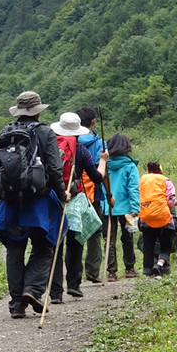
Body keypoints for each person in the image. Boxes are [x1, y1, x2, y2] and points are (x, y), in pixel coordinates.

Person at [0, 91, 64, 318]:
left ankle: (16, 305)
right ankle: (32, 289)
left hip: (10, 202)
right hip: (38, 201)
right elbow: (54, 168)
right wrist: (61, 195)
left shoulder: (6, 131)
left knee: (14, 249)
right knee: (44, 246)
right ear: (38, 111)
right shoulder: (44, 132)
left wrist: (0, 197)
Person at [49, 112, 107, 301]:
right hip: (74, 199)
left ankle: (55, 292)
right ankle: (73, 285)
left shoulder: (49, 148)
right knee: (75, 242)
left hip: (54, 199)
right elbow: (97, 178)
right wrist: (104, 160)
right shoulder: (81, 150)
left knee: (56, 245)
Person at [73, 107, 109, 285]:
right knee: (95, 230)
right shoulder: (99, 143)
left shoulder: (71, 140)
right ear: (93, 122)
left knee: (74, 230)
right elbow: (103, 173)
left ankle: (73, 275)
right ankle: (93, 272)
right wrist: (109, 195)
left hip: (72, 192)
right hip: (92, 192)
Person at [101, 133, 141, 279]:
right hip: (126, 209)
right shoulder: (130, 166)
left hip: (107, 207)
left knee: (109, 240)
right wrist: (135, 208)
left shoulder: (105, 165)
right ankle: (130, 269)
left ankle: (111, 272)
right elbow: (133, 189)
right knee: (127, 239)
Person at [139, 162, 177, 275]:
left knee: (148, 246)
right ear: (160, 171)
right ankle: (160, 264)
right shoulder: (166, 180)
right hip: (163, 217)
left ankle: (147, 271)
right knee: (166, 245)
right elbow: (170, 202)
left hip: (146, 216)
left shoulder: (143, 180)